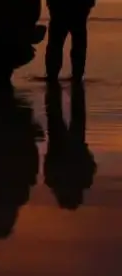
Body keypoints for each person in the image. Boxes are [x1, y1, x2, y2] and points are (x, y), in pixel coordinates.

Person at [44, 78, 96, 210]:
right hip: (70, 146)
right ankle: (69, 82)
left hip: (63, 146)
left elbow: (90, 165)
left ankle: (57, 83)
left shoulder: (55, 180)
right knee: (61, 110)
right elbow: (90, 164)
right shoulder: (56, 181)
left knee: (59, 110)